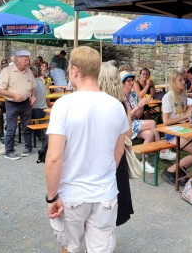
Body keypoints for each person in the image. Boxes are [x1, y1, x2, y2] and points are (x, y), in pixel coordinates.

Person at [45, 46, 129, 253]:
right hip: (105, 193)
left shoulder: (63, 105)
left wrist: (52, 196)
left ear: (74, 70)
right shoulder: (117, 105)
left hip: (72, 193)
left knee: (71, 247)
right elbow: (118, 152)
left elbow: (54, 158)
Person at [98, 62, 134, 227]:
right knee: (113, 204)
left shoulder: (94, 103)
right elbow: (128, 134)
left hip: (98, 156)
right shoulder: (120, 104)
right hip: (116, 157)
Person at [121, 70, 175, 169]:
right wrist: (138, 106)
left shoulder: (133, 94)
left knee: (150, 134)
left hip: (134, 122)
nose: (131, 82)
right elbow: (125, 117)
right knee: (152, 123)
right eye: (128, 81)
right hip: (125, 125)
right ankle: (162, 150)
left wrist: (141, 106)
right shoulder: (120, 97)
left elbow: (137, 116)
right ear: (122, 83)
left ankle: (142, 162)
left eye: (132, 80)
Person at [161, 69, 192, 185]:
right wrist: (185, 115)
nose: (184, 82)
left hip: (183, 130)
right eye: (180, 80)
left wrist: (191, 116)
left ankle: (181, 170)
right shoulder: (168, 97)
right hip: (172, 133)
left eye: (184, 79)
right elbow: (166, 121)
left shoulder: (183, 95)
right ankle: (171, 171)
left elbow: (183, 116)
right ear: (173, 82)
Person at [0, 50, 36, 160]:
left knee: (27, 126)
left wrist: (33, 96)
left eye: (28, 60)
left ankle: (28, 147)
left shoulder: (28, 71)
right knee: (11, 128)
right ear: (17, 61)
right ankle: (9, 151)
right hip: (11, 104)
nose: (28, 62)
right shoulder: (7, 71)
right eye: (25, 60)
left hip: (26, 103)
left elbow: (33, 87)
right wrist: (13, 95)